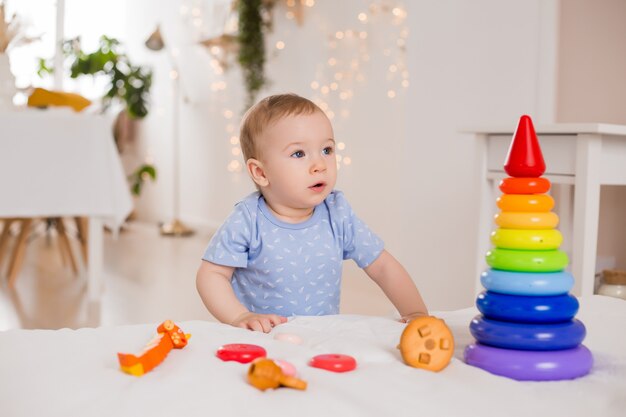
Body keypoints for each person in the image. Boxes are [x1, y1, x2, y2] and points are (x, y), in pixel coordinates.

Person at [196, 93, 428, 332]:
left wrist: (415, 312)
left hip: (319, 337)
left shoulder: (337, 213)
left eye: (327, 150)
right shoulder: (248, 219)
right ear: (261, 173)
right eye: (299, 154)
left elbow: (383, 266)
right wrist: (240, 316)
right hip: (262, 339)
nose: (320, 165)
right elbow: (211, 275)